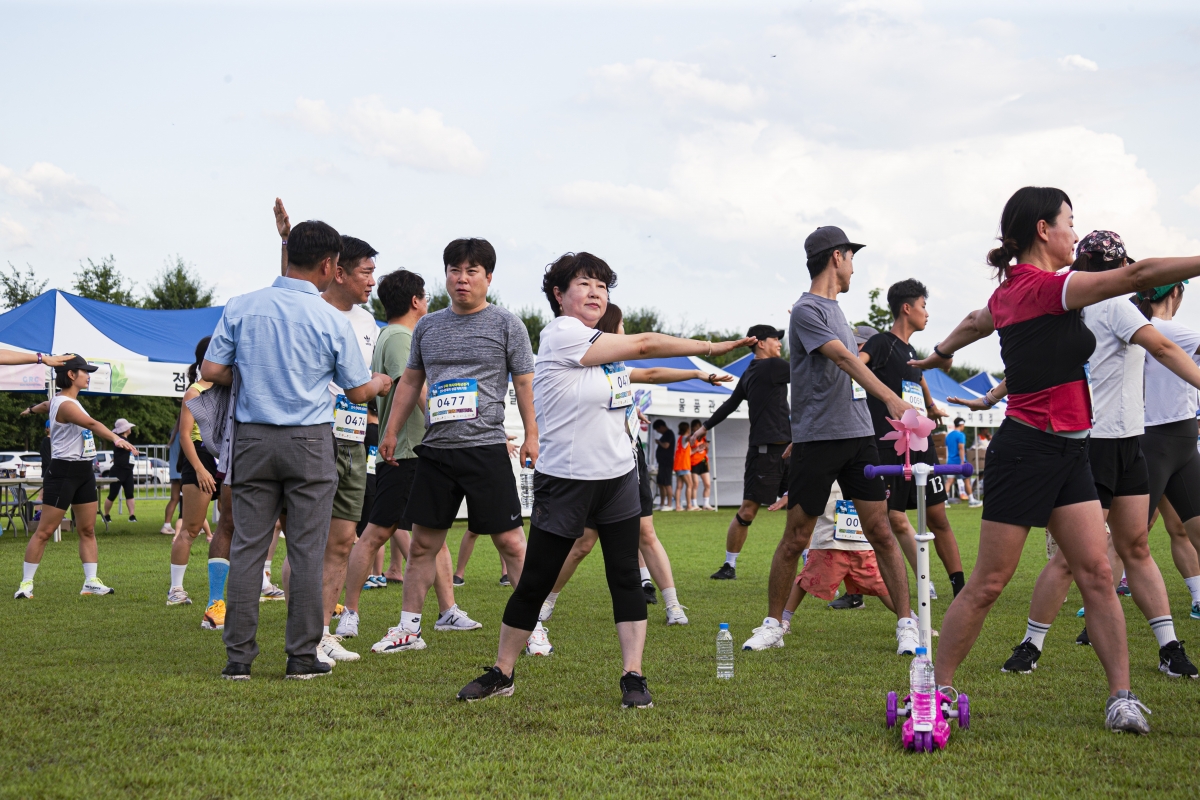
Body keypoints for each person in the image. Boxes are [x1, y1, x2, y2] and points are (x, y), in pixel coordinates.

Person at [914, 187, 1200, 733]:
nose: (1074, 231)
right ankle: (935, 689)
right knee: (989, 583)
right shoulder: (1046, 288)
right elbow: (1141, 275)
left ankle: (1121, 698)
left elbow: (977, 319)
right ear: (1043, 229)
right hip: (1026, 450)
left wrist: (940, 354)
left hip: (1073, 449)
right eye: (1069, 221)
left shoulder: (1014, 292)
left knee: (1097, 572)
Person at [455, 252, 751, 706]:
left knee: (625, 579)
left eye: (602, 286)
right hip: (567, 481)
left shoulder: (602, 355)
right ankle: (502, 672)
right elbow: (645, 346)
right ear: (559, 295)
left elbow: (644, 370)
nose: (595, 293)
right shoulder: (562, 333)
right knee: (534, 582)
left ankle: (633, 676)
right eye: (584, 284)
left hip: (618, 480)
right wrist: (711, 348)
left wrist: (694, 371)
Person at [202, 218, 390, 681]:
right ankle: (302, 656)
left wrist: (251, 374)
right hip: (310, 441)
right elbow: (358, 391)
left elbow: (211, 369)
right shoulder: (331, 319)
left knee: (249, 547)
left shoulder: (242, 305)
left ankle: (238, 659)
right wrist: (382, 382)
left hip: (252, 439)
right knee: (307, 550)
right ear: (328, 265)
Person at [741, 226, 919, 655]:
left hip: (859, 436)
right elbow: (841, 359)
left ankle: (907, 625)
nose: (854, 267)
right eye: (852, 258)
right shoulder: (806, 310)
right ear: (837, 257)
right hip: (819, 441)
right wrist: (890, 398)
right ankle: (773, 625)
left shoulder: (838, 311)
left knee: (881, 532)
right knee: (796, 538)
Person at [372, 237, 535, 656]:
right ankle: (408, 629)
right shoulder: (428, 326)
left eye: (471, 271)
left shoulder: (507, 324)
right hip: (436, 451)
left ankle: (532, 629)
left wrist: (533, 434)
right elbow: (411, 381)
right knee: (423, 545)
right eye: (454, 270)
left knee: (512, 544)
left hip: (486, 448)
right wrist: (390, 431)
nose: (462, 279)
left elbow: (524, 383)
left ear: (488, 277)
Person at [536, 302, 730, 626]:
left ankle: (673, 605)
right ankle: (546, 602)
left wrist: (697, 373)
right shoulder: (583, 368)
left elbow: (652, 374)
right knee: (583, 543)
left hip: (628, 461)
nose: (625, 331)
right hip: (591, 465)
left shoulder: (616, 368)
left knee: (646, 533)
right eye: (622, 325)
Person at [337, 267, 478, 641]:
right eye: (425, 297)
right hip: (406, 452)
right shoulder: (400, 336)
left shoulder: (390, 334)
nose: (428, 303)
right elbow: (411, 387)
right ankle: (349, 612)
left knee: (432, 534)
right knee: (375, 533)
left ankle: (447, 610)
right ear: (416, 301)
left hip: (415, 450)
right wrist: (441, 422)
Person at [860, 279, 967, 603]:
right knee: (891, 517)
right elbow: (854, 366)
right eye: (923, 306)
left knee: (937, 517)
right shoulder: (881, 343)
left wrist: (930, 406)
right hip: (888, 445)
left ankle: (960, 588)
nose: (927, 313)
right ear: (906, 308)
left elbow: (918, 377)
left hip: (921, 444)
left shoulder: (910, 351)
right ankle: (918, 583)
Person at [13, 355, 138, 600]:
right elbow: (92, 423)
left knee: (87, 529)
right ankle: (26, 585)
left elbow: (45, 405)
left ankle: (91, 582)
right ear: (71, 375)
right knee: (45, 531)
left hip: (83, 471)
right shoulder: (66, 405)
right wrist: (117, 439)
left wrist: (31, 409)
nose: (88, 376)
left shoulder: (62, 401)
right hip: (63, 472)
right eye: (85, 371)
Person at [695, 325, 790, 580]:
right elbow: (808, 369)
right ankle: (729, 565)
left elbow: (730, 404)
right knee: (749, 509)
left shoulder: (750, 371)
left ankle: (731, 566)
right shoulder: (773, 366)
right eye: (775, 339)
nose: (779, 343)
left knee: (792, 508)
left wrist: (704, 427)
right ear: (761, 343)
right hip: (767, 451)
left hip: (789, 448)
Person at [779, 485, 895, 633]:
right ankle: (783, 620)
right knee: (808, 577)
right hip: (829, 534)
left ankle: (909, 620)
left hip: (861, 537)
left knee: (880, 583)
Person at [167, 337, 224, 607]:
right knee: (190, 529)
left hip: (225, 458)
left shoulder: (228, 388)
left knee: (233, 527)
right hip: (200, 457)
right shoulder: (195, 391)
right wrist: (200, 469)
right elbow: (185, 435)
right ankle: (175, 590)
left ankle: (259, 583)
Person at [100, 418, 138, 523]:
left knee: (130, 494)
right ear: (125, 429)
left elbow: (121, 453)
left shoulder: (125, 440)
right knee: (112, 494)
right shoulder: (119, 440)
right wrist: (132, 449)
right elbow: (121, 445)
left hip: (128, 471)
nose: (130, 429)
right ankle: (106, 516)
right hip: (118, 471)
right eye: (128, 427)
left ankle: (132, 516)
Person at [943, 418, 979, 506]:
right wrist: (963, 461)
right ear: (961, 424)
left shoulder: (948, 435)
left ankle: (944, 501)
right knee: (967, 480)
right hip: (959, 462)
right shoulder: (961, 435)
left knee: (949, 481)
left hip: (950, 462)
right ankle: (971, 500)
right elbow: (961, 448)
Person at [689, 419, 714, 510]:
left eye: (698, 427)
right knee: (695, 484)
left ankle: (706, 504)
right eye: (695, 427)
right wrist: (696, 449)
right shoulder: (691, 438)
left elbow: (705, 451)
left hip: (703, 462)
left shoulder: (703, 438)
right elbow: (689, 451)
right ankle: (694, 504)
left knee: (707, 484)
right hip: (693, 462)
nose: (697, 429)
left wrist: (706, 447)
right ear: (692, 428)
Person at [163, 422, 183, 535]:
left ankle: (166, 525)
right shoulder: (185, 432)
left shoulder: (174, 433)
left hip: (174, 470)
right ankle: (191, 524)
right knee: (189, 499)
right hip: (183, 470)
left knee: (174, 499)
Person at [652, 420, 675, 510]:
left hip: (667, 463)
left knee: (667, 483)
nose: (658, 432)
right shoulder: (664, 435)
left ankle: (669, 504)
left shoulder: (669, 433)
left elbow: (666, 445)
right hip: (661, 463)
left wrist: (659, 442)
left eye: (658, 430)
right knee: (660, 483)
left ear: (661, 427)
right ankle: (662, 504)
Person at [672, 421, 694, 511]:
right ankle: (689, 505)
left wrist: (696, 449)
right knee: (690, 485)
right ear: (688, 429)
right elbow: (688, 438)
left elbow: (688, 453)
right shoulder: (684, 438)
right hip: (684, 466)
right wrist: (695, 434)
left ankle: (677, 506)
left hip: (678, 466)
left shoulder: (680, 438)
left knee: (679, 486)